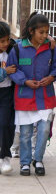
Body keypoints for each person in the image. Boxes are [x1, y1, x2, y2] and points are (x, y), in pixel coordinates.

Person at [7, 12, 56, 176]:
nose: (45, 36)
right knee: (25, 133)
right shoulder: (18, 49)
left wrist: (52, 76)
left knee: (44, 130)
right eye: (41, 32)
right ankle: (25, 163)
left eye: (47, 32)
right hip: (25, 97)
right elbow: (12, 70)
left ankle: (38, 159)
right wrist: (24, 81)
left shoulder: (52, 49)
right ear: (31, 31)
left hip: (45, 97)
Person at [0, 21, 17, 175]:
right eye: (2, 41)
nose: (6, 43)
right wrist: (5, 72)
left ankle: (5, 157)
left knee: (6, 125)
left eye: (8, 40)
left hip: (7, 94)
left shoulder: (13, 50)